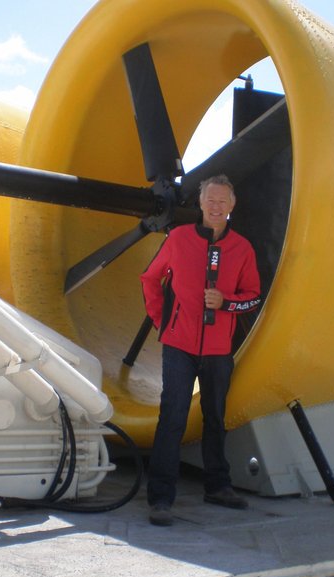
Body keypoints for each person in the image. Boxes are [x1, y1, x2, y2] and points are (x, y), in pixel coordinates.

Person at [140, 174, 261, 526]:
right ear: (201, 203)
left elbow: (252, 297)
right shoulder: (178, 239)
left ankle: (217, 487)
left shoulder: (242, 248)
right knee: (173, 417)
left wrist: (226, 302)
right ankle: (161, 498)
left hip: (219, 349)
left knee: (215, 417)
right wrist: (163, 321)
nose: (216, 206)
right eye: (210, 200)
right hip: (179, 345)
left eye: (222, 201)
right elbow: (150, 278)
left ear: (232, 206)